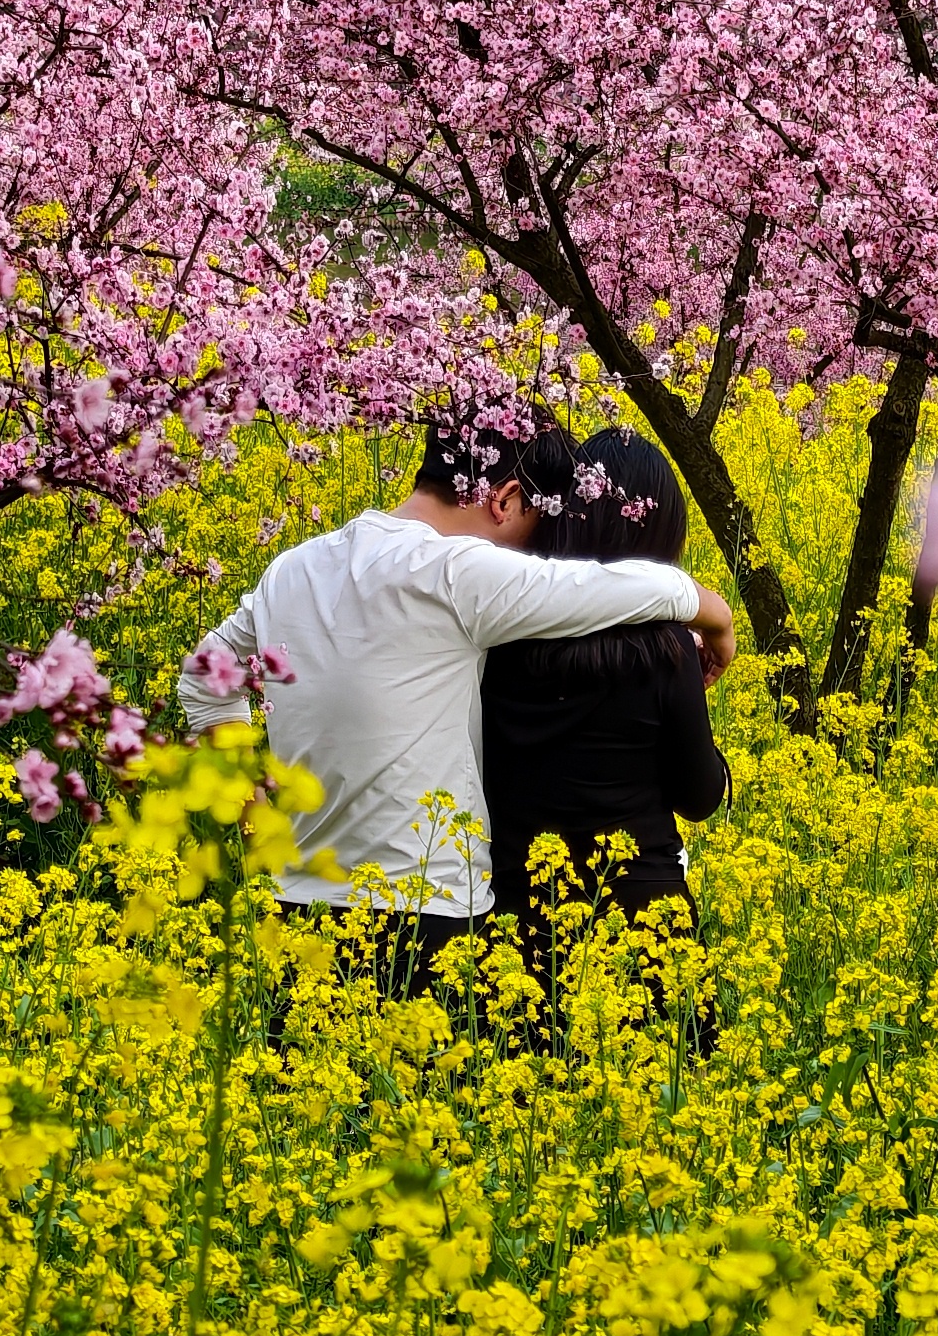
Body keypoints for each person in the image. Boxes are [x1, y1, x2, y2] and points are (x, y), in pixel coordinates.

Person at [178, 406, 735, 989]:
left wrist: (254, 812)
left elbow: (204, 672)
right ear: (506, 500)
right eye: (536, 523)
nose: (537, 550)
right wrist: (716, 618)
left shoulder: (292, 569)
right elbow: (609, 587)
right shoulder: (456, 572)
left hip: (294, 904)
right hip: (424, 911)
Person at [482, 427, 730, 991]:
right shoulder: (667, 650)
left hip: (521, 922)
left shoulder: (495, 637)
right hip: (645, 925)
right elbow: (699, 798)